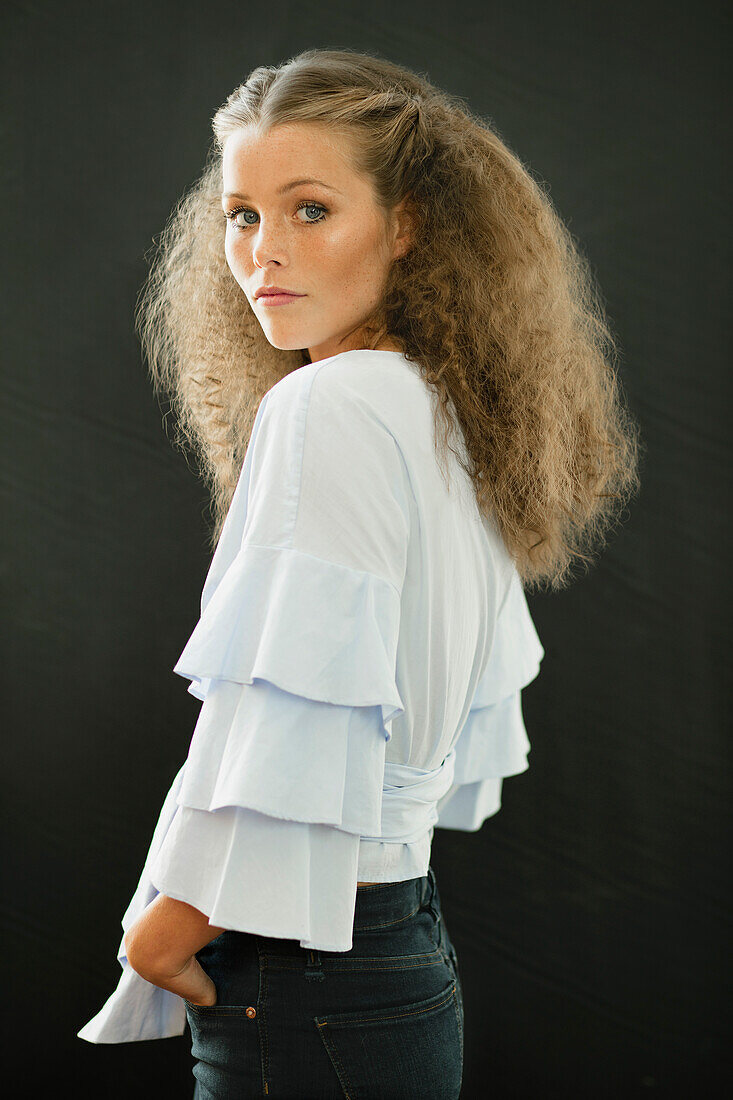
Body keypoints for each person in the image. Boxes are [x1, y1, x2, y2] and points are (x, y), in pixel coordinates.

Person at [77, 48, 641, 1099]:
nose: (262, 255)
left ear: (408, 223)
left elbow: (304, 718)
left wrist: (171, 922)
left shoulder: (328, 408)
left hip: (301, 971)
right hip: (392, 948)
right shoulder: (431, 405)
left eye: (308, 209)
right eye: (242, 215)